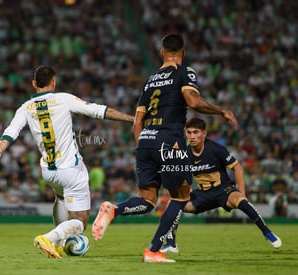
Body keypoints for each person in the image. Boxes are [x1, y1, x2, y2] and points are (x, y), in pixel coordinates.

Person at [91, 33, 237, 263]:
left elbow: (137, 122)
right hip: (170, 141)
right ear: (183, 53)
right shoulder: (184, 72)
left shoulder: (151, 79)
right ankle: (153, 251)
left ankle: (115, 210)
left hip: (146, 141)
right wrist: (221, 111)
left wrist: (142, 147)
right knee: (181, 197)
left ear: (161, 53)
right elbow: (193, 101)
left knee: (148, 201)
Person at [0, 65, 134, 259]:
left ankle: (57, 246)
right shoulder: (64, 99)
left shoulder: (25, 108)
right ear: (54, 82)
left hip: (49, 172)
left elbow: (10, 132)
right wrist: (131, 119)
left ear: (34, 83)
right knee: (81, 221)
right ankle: (49, 238)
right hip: (70, 169)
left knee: (60, 199)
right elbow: (97, 110)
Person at [160, 117, 282, 254]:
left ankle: (267, 232)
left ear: (204, 133)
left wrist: (242, 192)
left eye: (196, 132)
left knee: (240, 200)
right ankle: (171, 244)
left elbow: (237, 168)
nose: (192, 136)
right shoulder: (184, 154)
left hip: (223, 190)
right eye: (189, 132)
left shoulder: (216, 149)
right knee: (175, 203)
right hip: (202, 194)